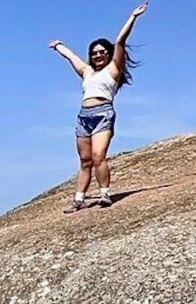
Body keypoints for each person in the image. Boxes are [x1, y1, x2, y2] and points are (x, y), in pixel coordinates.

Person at [49, 2, 148, 213]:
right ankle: (78, 199)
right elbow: (71, 57)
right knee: (85, 160)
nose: (98, 55)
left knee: (98, 156)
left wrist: (133, 17)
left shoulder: (114, 68)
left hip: (103, 113)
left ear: (108, 53)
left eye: (102, 52)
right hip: (83, 116)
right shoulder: (87, 71)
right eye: (94, 53)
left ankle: (104, 194)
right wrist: (58, 46)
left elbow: (120, 41)